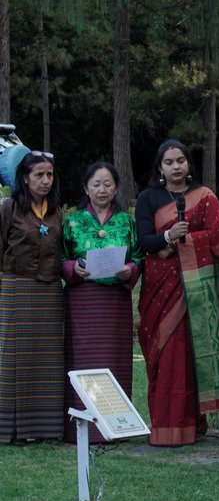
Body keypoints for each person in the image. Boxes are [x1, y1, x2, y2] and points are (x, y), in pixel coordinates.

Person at [135, 139, 219, 446]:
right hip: (159, 286)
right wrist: (166, 236)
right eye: (169, 162)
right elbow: (143, 242)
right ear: (160, 168)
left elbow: (217, 238)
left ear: (189, 164)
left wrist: (183, 242)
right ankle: (164, 424)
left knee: (188, 354)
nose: (176, 166)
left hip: (195, 288)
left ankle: (191, 424)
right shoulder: (148, 198)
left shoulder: (205, 197)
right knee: (162, 354)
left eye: (181, 160)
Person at [61, 161, 142, 444]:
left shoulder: (126, 221)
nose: (102, 190)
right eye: (96, 184)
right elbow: (59, 258)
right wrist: (72, 268)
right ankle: (80, 428)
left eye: (108, 184)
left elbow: (139, 256)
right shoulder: (72, 220)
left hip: (115, 302)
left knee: (114, 360)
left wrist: (129, 271)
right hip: (82, 302)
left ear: (116, 187)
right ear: (86, 187)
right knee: (83, 361)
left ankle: (115, 428)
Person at [0, 152, 65, 443]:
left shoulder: (57, 213)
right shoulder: (9, 208)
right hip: (16, 290)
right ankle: (11, 430)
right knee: (14, 360)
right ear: (25, 177)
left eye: (49, 175)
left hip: (49, 293)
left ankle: (45, 430)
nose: (45, 181)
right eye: (39, 175)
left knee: (47, 361)